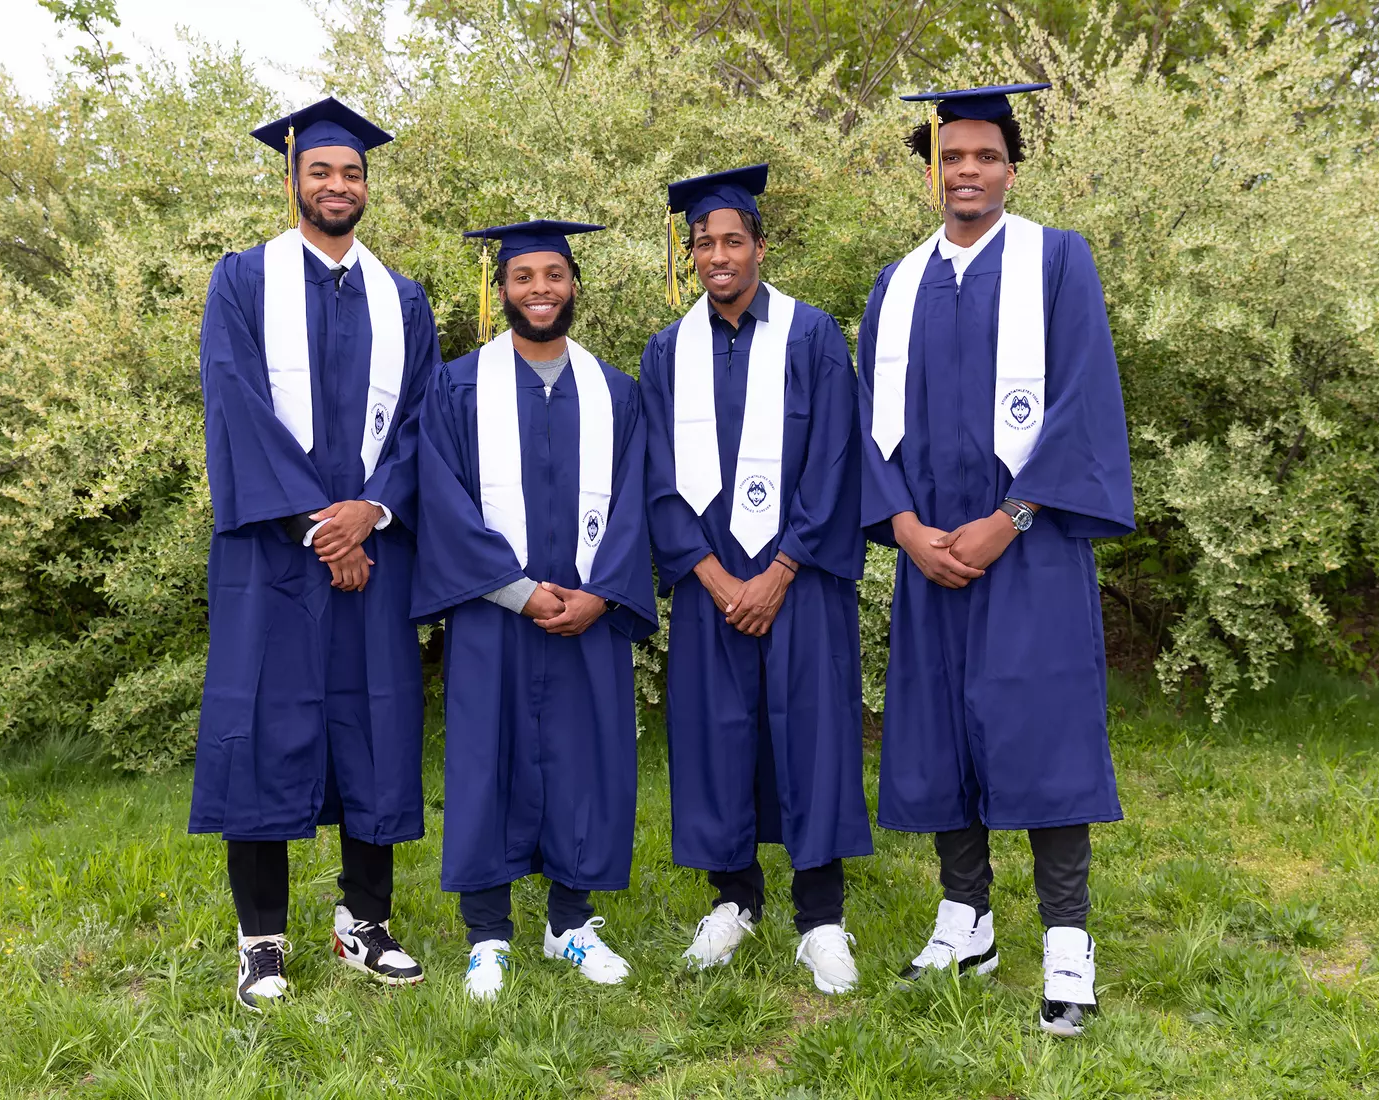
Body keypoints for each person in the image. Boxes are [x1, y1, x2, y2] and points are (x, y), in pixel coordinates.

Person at [856, 83, 1135, 1036]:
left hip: (1032, 548)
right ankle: (965, 919)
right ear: (931, 172)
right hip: (930, 555)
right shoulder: (894, 287)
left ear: (1011, 168)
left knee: (1045, 733)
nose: (966, 171)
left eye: (984, 156)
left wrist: (1007, 517)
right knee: (938, 732)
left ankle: (1067, 940)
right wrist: (901, 526)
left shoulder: (1057, 261)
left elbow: (1084, 401)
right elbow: (866, 431)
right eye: (951, 158)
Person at [188, 97, 443, 1010]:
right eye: (323, 171)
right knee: (260, 727)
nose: (339, 185)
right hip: (275, 558)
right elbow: (235, 404)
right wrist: (318, 522)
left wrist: (370, 511)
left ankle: (361, 922)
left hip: (372, 553)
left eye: (353, 172)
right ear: (292, 178)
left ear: (367, 186)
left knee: (373, 727)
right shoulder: (242, 281)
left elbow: (424, 423)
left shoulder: (401, 297)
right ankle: (261, 939)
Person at [640, 166, 871, 995]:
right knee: (715, 736)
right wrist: (708, 573)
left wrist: (779, 569)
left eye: (733, 239)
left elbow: (837, 457)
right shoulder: (667, 352)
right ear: (691, 254)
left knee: (811, 735)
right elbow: (657, 475)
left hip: (799, 579)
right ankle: (733, 902)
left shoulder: (810, 337)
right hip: (710, 588)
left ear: (761, 248)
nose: (717, 254)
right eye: (703, 242)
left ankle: (821, 918)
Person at [412, 220, 656, 1002]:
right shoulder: (455, 387)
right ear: (501, 290)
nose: (540, 290)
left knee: (586, 759)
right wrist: (516, 590)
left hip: (587, 612)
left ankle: (571, 924)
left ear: (575, 284)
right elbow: (442, 503)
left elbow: (635, 506)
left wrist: (601, 593)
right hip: (494, 613)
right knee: (486, 758)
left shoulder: (616, 391)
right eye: (523, 278)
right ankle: (488, 935)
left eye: (554, 275)